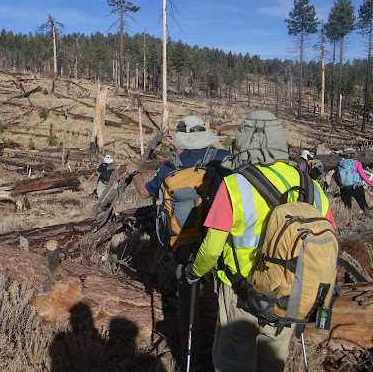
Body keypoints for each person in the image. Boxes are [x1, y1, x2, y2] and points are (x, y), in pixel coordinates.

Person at [185, 111, 336, 372]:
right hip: (287, 293)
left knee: (233, 363)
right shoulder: (311, 186)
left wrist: (194, 272)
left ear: (242, 142)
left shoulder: (235, 185)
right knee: (272, 363)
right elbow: (329, 240)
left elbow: (211, 250)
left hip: (240, 294)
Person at [126, 115, 229, 369]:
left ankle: (190, 355)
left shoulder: (170, 167)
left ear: (181, 138)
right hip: (223, 239)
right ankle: (225, 353)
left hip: (187, 242)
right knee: (223, 297)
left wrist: (135, 172)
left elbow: (143, 192)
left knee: (188, 298)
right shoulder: (222, 157)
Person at [334, 147, 373, 217]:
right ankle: (369, 218)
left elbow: (335, 177)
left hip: (344, 188)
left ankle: (349, 220)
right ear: (352, 154)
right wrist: (371, 184)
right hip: (357, 187)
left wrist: (340, 184)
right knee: (363, 204)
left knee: (347, 206)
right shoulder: (357, 163)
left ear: (344, 155)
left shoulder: (339, 164)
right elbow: (362, 175)